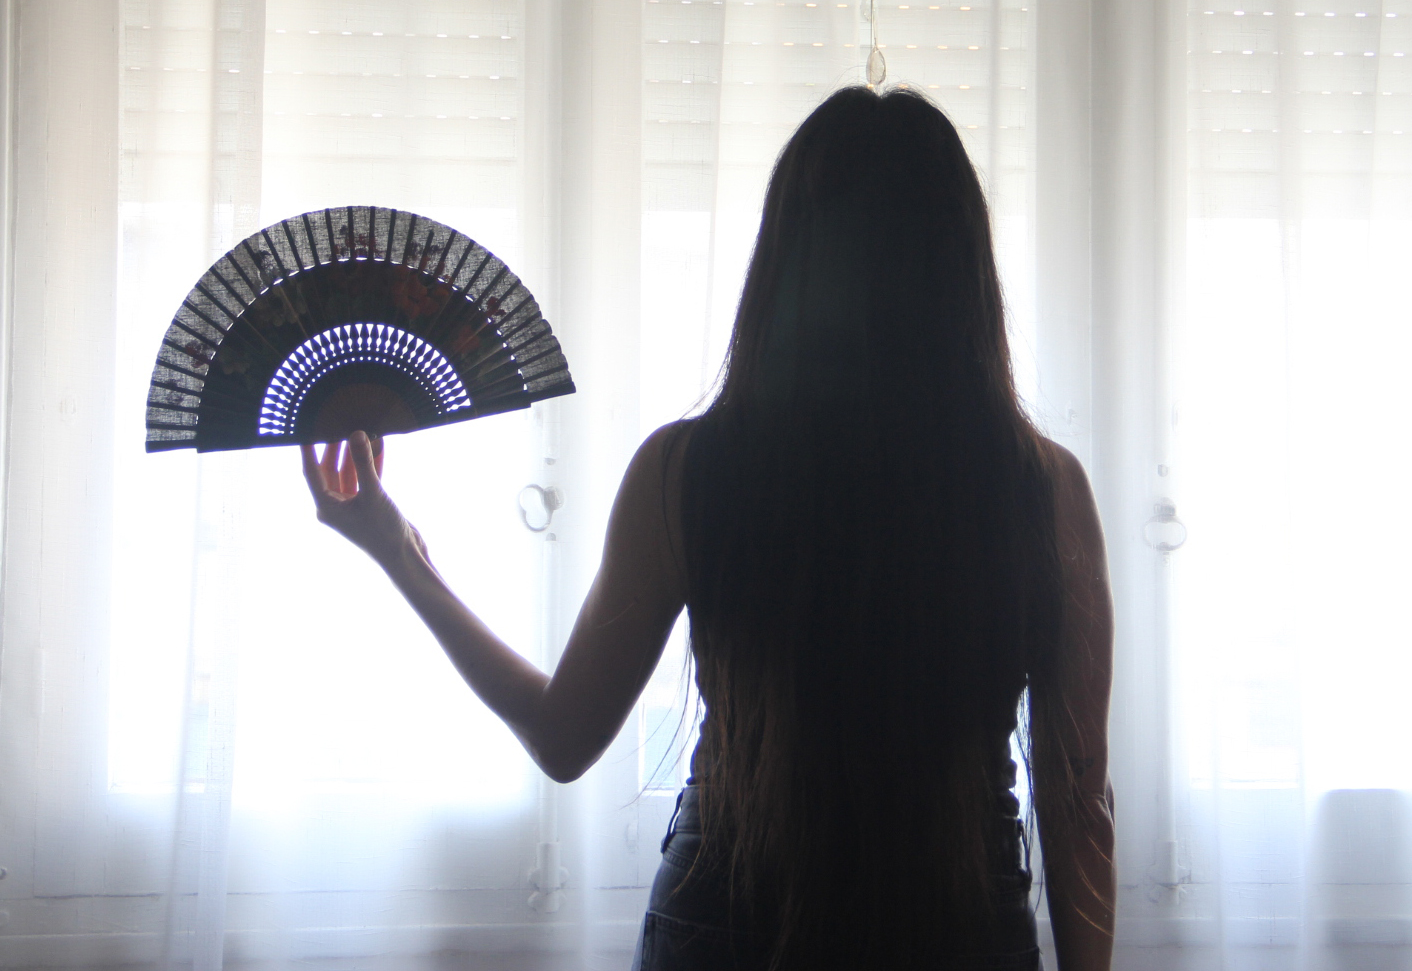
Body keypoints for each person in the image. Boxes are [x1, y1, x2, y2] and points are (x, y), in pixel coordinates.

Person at [301, 86, 1115, 971]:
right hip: (963, 933)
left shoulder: (686, 472)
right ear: (962, 274)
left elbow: (564, 738)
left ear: (787, 266)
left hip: (723, 933)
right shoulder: (1044, 492)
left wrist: (402, 554)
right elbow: (1079, 810)